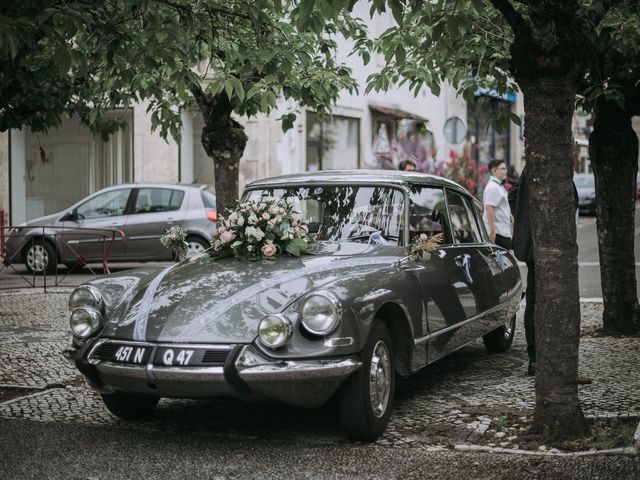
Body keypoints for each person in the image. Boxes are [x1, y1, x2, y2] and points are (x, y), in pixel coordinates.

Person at [509, 165, 592, 384]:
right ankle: (545, 362)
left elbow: (513, 195)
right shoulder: (551, 162)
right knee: (553, 301)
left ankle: (535, 360)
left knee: (536, 300)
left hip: (534, 245)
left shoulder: (531, 166)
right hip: (548, 245)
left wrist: (524, 226)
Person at [482, 159, 512, 249]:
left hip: (503, 231)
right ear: (494, 170)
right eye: (503, 169)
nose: (505, 171)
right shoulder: (493, 187)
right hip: (498, 234)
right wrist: (492, 232)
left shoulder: (498, 186)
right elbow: (489, 208)